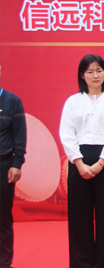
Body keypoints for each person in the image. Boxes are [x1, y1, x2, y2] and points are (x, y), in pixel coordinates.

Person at [59, 54, 104, 268]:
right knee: (79, 217)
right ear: (82, 75)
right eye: (90, 72)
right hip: (79, 161)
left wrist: (101, 162)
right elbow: (66, 134)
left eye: (99, 71)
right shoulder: (73, 102)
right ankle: (81, 263)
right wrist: (79, 163)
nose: (95, 75)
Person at [0, 62, 27, 268]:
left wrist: (17, 163)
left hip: (4, 165)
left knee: (2, 217)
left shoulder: (12, 101)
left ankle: (4, 262)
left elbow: (19, 135)